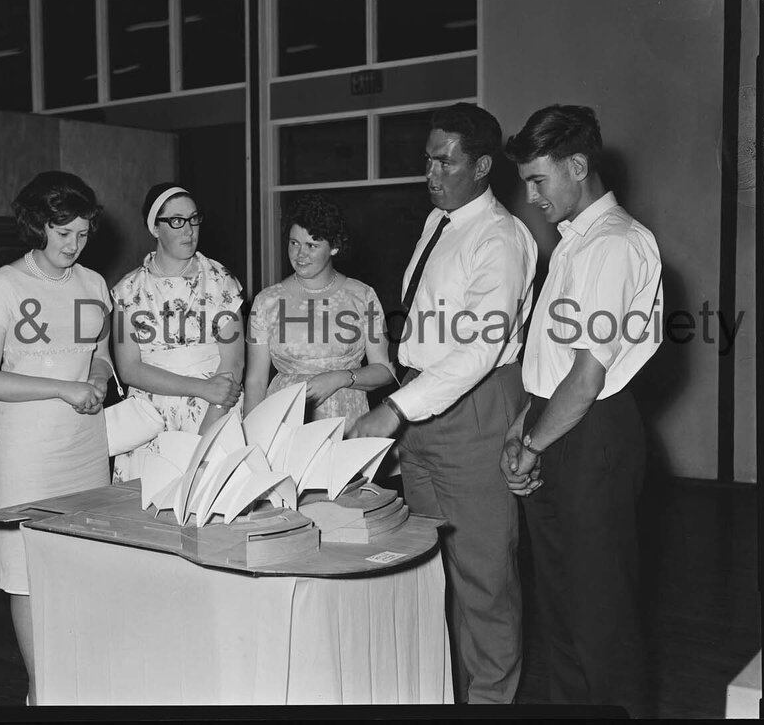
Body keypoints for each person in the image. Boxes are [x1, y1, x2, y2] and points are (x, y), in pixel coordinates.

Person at [349, 102, 537, 704]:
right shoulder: (440, 222)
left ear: (481, 165)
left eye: (444, 161)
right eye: (427, 159)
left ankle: (489, 705)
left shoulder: (502, 237)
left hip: (474, 406)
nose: (430, 172)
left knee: (484, 578)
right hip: (425, 406)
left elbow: (478, 353)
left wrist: (395, 409)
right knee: (432, 568)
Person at [500, 105, 663, 717]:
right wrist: (520, 432)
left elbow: (588, 376)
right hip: (556, 422)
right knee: (563, 610)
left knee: (601, 619)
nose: (530, 195)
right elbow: (550, 366)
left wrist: (533, 445)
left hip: (591, 435)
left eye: (539, 180)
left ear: (577, 166)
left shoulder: (616, 244)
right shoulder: (574, 244)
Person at [0, 171, 113, 704]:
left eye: (82, 234)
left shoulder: (94, 284)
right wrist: (63, 389)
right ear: (36, 226)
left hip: (85, 450)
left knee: (80, 567)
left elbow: (100, 354)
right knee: (25, 574)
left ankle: (79, 679)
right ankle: (42, 690)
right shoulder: (1, 287)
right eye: (62, 233)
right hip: (26, 453)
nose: (73, 246)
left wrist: (96, 378)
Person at [110, 182, 244, 483]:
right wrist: (199, 388)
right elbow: (130, 369)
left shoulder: (221, 280)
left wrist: (207, 432)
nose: (189, 230)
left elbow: (233, 363)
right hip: (150, 421)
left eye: (194, 219)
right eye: (176, 221)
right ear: (155, 228)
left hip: (214, 412)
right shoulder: (128, 291)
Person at [244, 195, 395, 431]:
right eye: (294, 243)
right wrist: (251, 437)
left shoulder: (362, 296)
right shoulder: (267, 301)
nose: (300, 254)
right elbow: (256, 381)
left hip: (347, 420)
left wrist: (340, 378)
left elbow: (384, 371)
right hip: (285, 421)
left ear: (334, 247)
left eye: (311, 246)